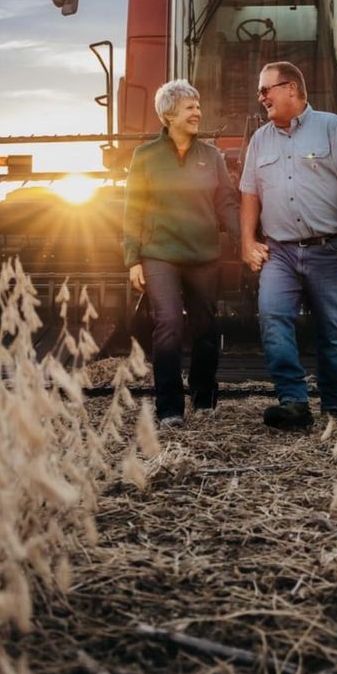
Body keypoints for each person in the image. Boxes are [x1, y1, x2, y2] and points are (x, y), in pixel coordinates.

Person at [239, 62, 337, 429]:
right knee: (272, 316)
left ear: (293, 89)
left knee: (333, 328)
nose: (261, 96)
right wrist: (247, 241)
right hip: (278, 251)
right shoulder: (260, 140)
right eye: (260, 91)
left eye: (268, 89)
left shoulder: (331, 127)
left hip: (328, 248)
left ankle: (334, 409)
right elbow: (249, 194)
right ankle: (294, 401)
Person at [123, 79, 240, 429]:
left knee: (205, 328)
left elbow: (227, 203)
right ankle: (170, 408)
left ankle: (204, 399)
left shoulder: (212, 156)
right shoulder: (144, 156)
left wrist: (244, 240)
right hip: (159, 255)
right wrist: (132, 259)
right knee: (169, 325)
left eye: (198, 107)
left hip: (203, 255)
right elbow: (133, 210)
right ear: (169, 113)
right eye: (190, 107)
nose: (198, 112)